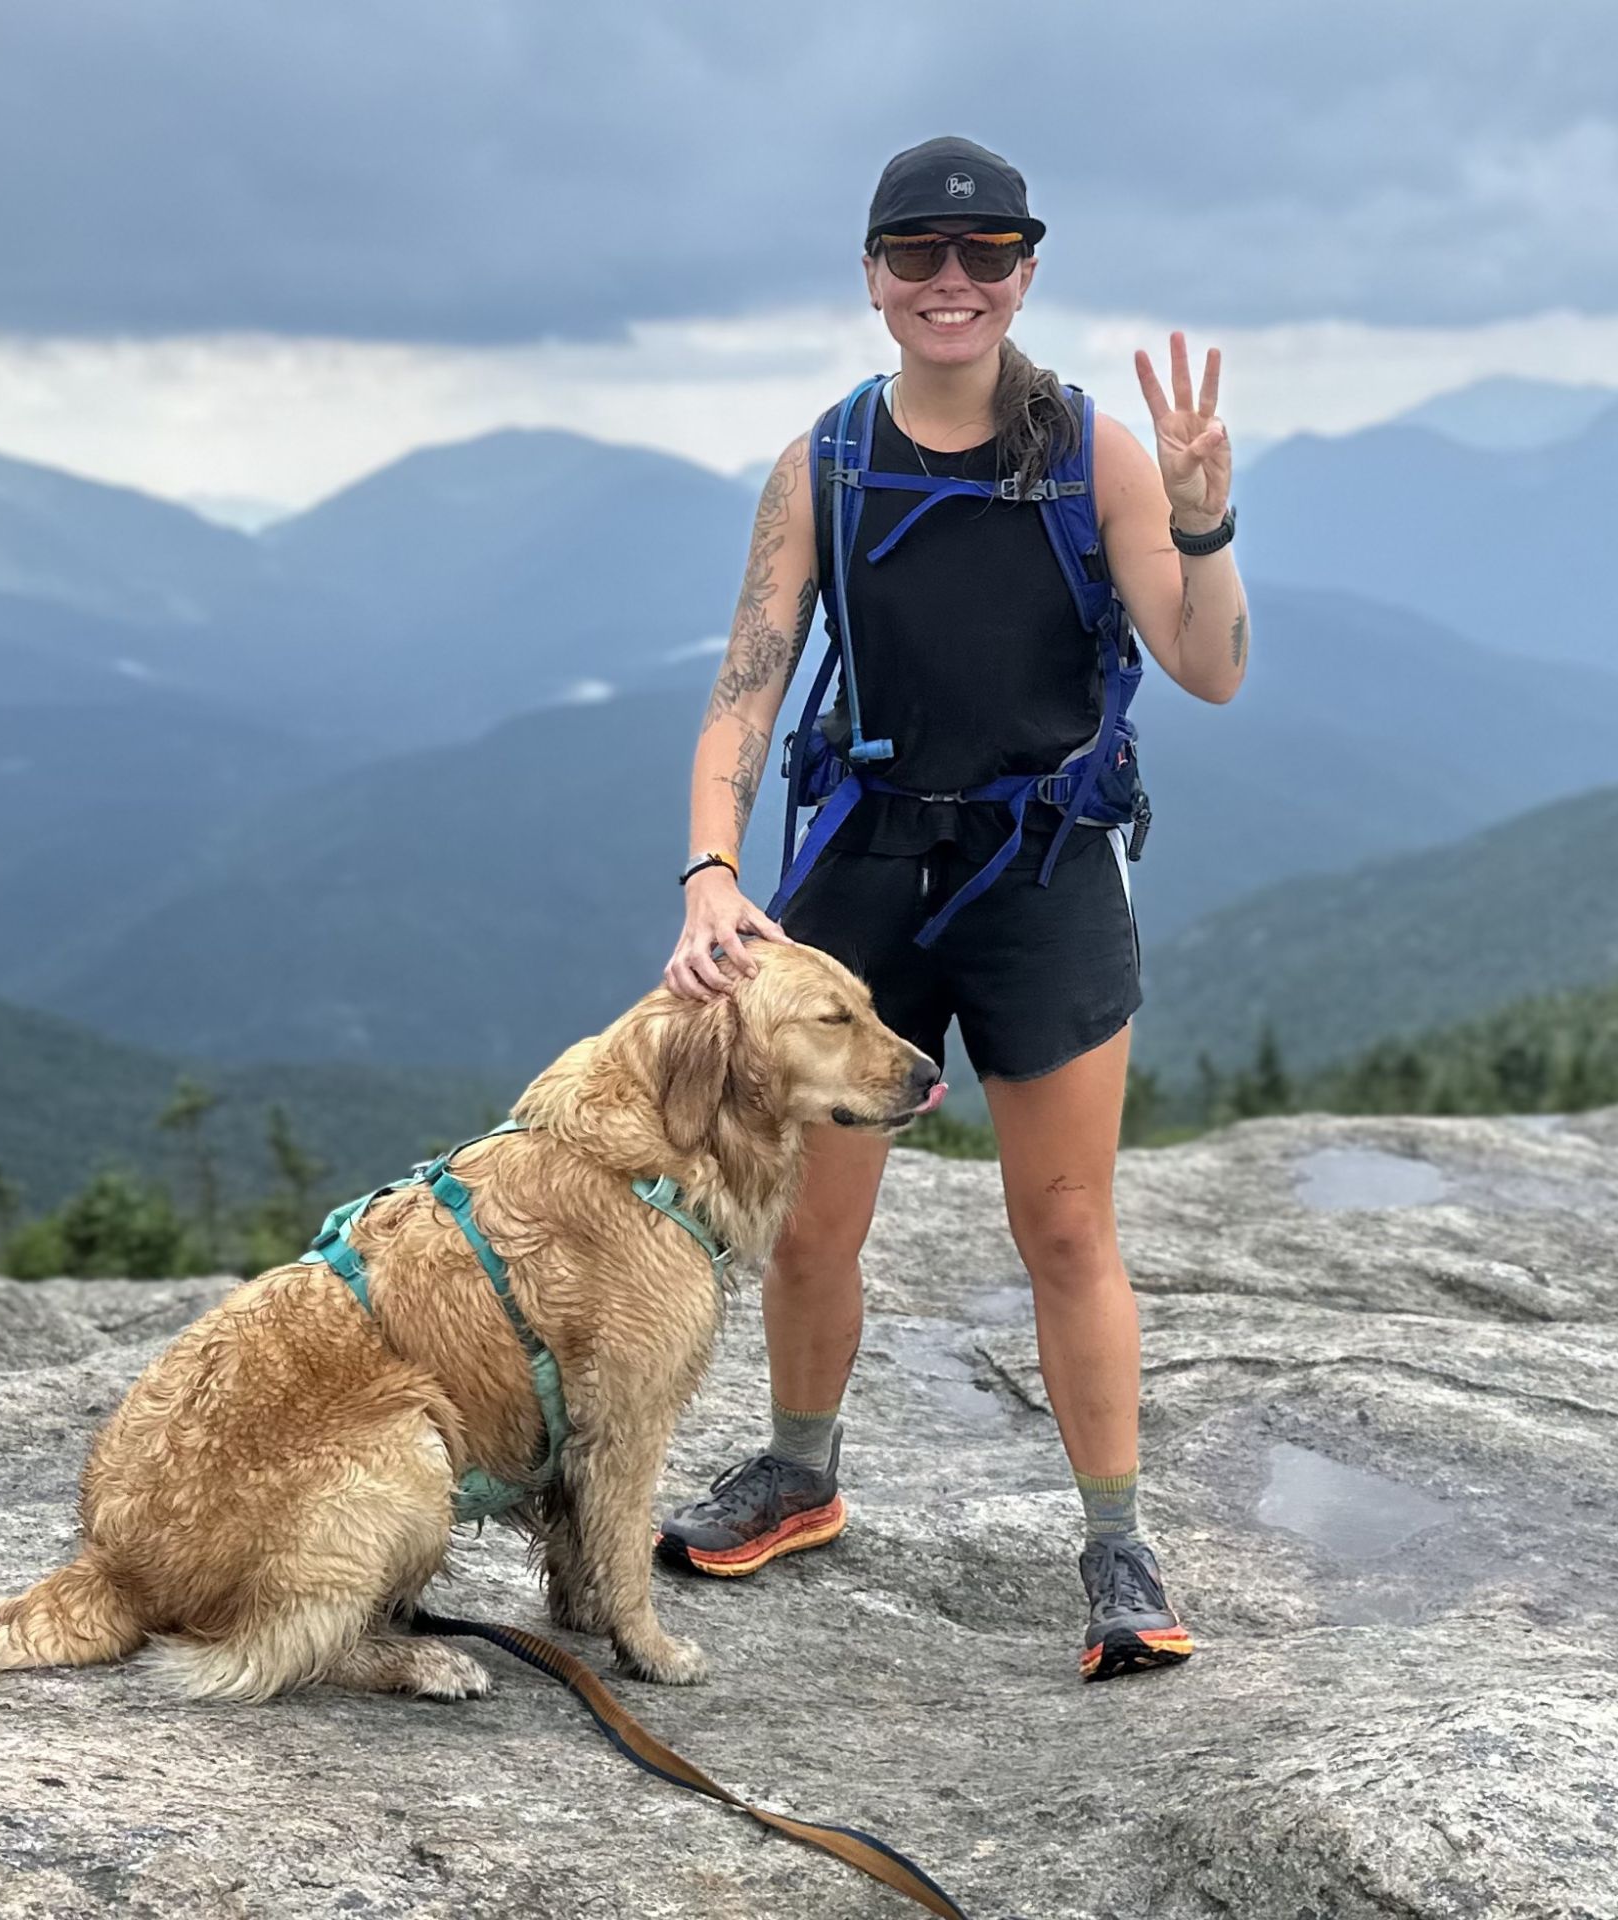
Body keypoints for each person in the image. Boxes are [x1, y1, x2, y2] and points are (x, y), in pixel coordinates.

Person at [657, 135, 1251, 1682]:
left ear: (1025, 275)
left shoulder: (1094, 454)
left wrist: (1201, 523)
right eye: (918, 254)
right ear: (871, 276)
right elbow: (742, 694)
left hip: (1044, 866)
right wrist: (710, 872)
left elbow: (1211, 666)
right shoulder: (827, 466)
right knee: (811, 1224)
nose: (951, 282)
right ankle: (799, 1474)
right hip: (862, 872)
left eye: (985, 257)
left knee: (1064, 1223)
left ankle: (1117, 1544)